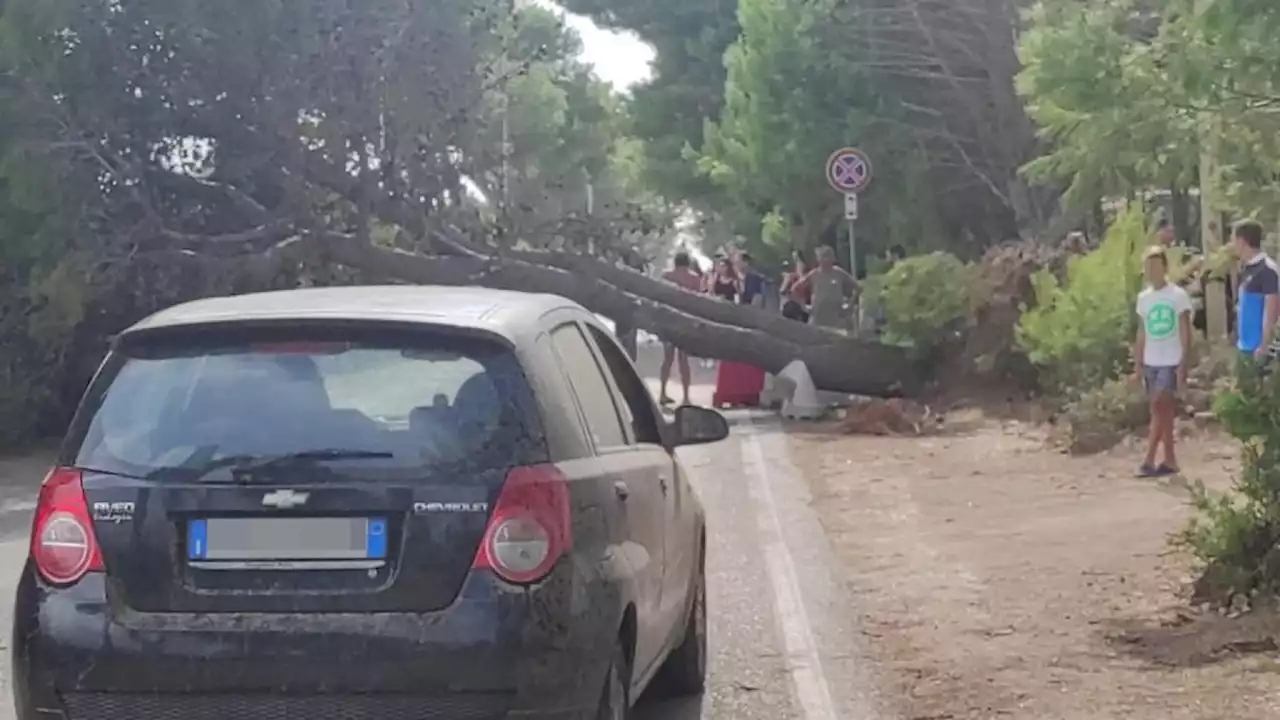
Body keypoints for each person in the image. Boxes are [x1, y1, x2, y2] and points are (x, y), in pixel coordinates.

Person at [1132, 246, 1193, 477]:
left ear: (1165, 268)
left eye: (1156, 266)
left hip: (1171, 359)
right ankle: (1170, 459)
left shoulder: (1177, 295)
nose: (1152, 271)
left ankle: (1148, 459)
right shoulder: (1144, 298)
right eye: (1148, 267)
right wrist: (1137, 366)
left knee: (1160, 405)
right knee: (1161, 410)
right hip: (1151, 360)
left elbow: (1186, 331)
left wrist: (1183, 362)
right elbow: (1142, 333)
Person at [1233, 219, 1280, 364]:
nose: (1233, 245)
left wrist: (1264, 345)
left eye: (1234, 240)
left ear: (1241, 241)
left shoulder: (1267, 270)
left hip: (1259, 350)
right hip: (1244, 346)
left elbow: (1272, 310)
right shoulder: (1246, 268)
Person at [658, 251, 702, 406]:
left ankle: (663, 393)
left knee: (667, 359)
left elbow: (660, 298)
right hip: (685, 321)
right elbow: (698, 301)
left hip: (668, 320)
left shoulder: (666, 276)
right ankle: (686, 397)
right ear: (688, 263)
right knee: (683, 360)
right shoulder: (694, 278)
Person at [803, 245, 857, 329]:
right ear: (818, 259)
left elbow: (858, 288)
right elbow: (796, 290)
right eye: (823, 256)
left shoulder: (839, 273)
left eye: (829, 256)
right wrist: (804, 306)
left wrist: (850, 305)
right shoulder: (814, 274)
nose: (826, 259)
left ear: (833, 258)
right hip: (817, 318)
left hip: (836, 319)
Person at [780, 250, 811, 322]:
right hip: (792, 310)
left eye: (798, 259)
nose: (798, 263)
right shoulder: (791, 277)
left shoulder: (810, 277)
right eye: (795, 260)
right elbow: (782, 292)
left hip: (805, 311)